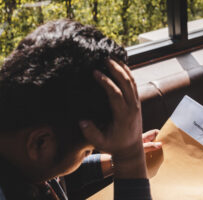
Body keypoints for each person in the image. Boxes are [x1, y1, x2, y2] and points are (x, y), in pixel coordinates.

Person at [0, 19, 161, 200]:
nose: (88, 154)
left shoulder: (17, 148)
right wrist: (130, 159)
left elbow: (54, 173)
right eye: (87, 151)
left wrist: (114, 160)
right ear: (40, 143)